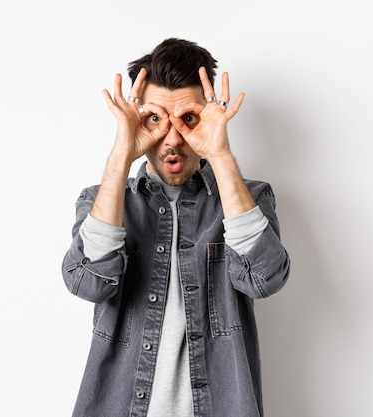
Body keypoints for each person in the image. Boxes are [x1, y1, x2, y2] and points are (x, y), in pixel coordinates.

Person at [62, 38, 290, 417]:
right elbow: (87, 283)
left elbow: (264, 279)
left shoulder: (248, 198)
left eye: (189, 118)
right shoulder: (102, 200)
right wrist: (121, 152)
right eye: (155, 118)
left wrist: (219, 154)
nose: (172, 138)